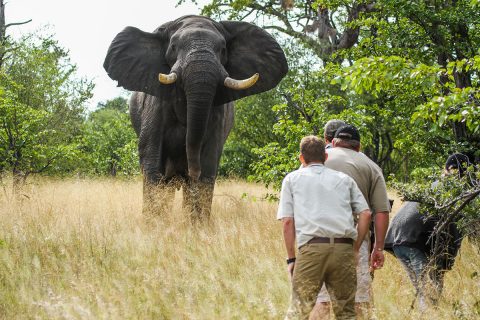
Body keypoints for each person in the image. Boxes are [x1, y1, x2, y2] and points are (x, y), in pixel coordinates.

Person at [278, 135, 372, 320]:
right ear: (326, 157)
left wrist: (291, 259)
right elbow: (366, 214)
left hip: (311, 249)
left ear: (301, 158)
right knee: (346, 312)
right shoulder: (344, 180)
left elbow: (287, 222)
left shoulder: (292, 179)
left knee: (299, 310)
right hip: (343, 248)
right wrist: (354, 248)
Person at [312, 124, 391, 319]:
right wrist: (378, 248)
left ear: (334, 143)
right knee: (359, 300)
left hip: (316, 238)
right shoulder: (371, 166)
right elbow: (381, 211)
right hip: (354, 240)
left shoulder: (316, 161)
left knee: (322, 300)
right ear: (358, 147)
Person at [384, 153, 470, 310]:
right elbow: (454, 234)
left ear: (445, 169)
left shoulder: (434, 184)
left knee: (424, 289)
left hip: (396, 238)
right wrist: (445, 265)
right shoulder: (455, 192)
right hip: (412, 240)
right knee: (430, 292)